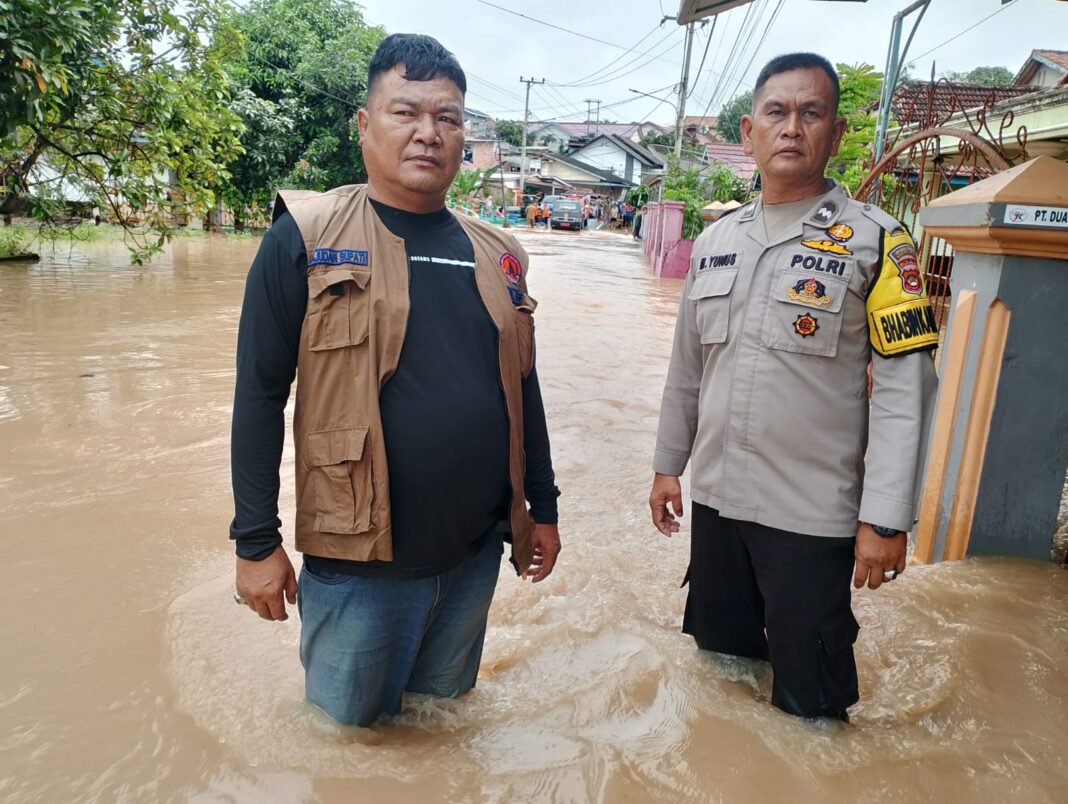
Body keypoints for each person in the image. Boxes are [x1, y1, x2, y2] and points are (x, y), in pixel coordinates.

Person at [230, 33, 561, 728]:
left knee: (442, 735)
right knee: (344, 749)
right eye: (405, 112)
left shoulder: (499, 252)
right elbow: (260, 395)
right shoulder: (307, 236)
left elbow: (523, 389)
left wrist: (544, 507)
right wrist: (256, 542)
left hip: (473, 560)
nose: (427, 133)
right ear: (364, 124)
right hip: (359, 571)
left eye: (447, 117)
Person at [649, 53, 938, 722]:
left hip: (812, 518)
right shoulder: (715, 241)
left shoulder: (879, 243)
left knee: (812, 711)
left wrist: (886, 518)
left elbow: (906, 390)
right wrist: (669, 467)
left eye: (811, 113)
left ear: (836, 135)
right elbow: (687, 368)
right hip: (718, 506)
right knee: (720, 680)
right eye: (776, 112)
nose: (791, 127)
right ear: (749, 131)